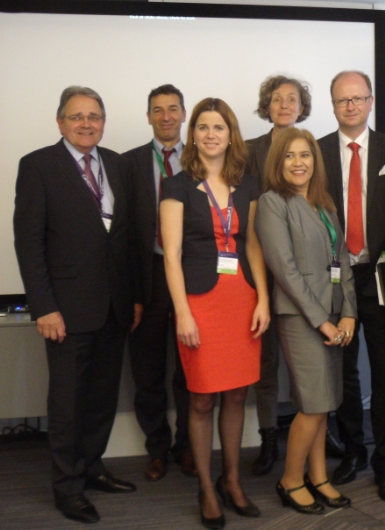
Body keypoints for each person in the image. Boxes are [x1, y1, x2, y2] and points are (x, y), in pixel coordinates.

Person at [14, 86, 140, 524]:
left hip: (114, 306)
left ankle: (92, 468)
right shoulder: (38, 166)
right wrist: (44, 307)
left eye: (94, 116)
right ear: (60, 121)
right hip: (65, 311)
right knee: (68, 402)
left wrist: (134, 297)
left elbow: (127, 239)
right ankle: (67, 487)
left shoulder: (118, 165)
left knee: (102, 398)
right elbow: (29, 243)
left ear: (103, 122)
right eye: (77, 116)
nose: (86, 123)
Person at [161, 97, 270, 529]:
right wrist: (182, 313)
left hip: (241, 299)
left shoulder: (248, 184)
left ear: (230, 135)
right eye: (203, 127)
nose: (211, 134)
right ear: (193, 135)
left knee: (238, 395)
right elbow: (171, 256)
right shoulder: (177, 185)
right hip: (199, 304)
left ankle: (232, 480)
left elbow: (253, 245)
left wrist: (263, 299)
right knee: (202, 398)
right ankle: (206, 488)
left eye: (219, 127)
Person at [255, 127, 357, 515]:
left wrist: (348, 312)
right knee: (314, 404)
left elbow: (342, 260)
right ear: (277, 162)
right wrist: (322, 321)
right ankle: (290, 480)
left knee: (324, 401)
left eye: (306, 155)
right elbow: (285, 270)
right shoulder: (272, 203)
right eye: (290, 156)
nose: (299, 163)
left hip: (333, 312)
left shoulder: (324, 205)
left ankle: (319, 477)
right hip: (302, 316)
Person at [318, 70, 385, 501]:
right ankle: (354, 451)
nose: (350, 106)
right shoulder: (316, 153)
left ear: (371, 102)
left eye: (358, 98)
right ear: (332, 105)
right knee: (344, 371)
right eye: (342, 100)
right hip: (337, 277)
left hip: (382, 273)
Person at [124, 84, 196, 481]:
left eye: (173, 108)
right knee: (147, 369)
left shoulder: (202, 157)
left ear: (184, 114)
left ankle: (186, 446)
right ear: (148, 116)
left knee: (189, 368)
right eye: (157, 109)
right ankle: (157, 449)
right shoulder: (129, 163)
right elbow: (123, 233)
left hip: (192, 272)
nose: (166, 116)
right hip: (148, 275)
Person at [244, 74, 313, 476]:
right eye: (277, 99)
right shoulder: (248, 150)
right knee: (267, 359)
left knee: (310, 358)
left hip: (306, 270)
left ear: (302, 107)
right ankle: (269, 435)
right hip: (262, 270)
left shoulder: (313, 148)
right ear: (266, 106)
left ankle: (317, 430)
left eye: (292, 99)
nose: (284, 105)